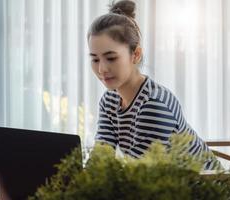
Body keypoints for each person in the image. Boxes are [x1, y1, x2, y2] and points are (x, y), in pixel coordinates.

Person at [88, 0, 221, 170]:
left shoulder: (153, 105)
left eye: (111, 58)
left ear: (135, 55)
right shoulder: (110, 100)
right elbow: (100, 159)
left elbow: (139, 179)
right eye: (95, 59)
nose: (101, 69)